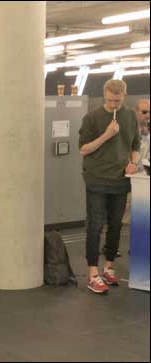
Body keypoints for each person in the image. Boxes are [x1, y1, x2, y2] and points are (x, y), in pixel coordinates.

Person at [79, 79, 140, 295]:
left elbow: (135, 144)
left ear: (124, 96)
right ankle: (93, 273)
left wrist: (133, 162)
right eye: (110, 100)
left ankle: (109, 267)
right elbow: (84, 150)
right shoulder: (92, 118)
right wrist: (107, 135)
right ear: (104, 95)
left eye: (118, 100)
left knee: (116, 226)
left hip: (120, 180)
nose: (114, 104)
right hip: (96, 179)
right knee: (95, 226)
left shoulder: (131, 116)